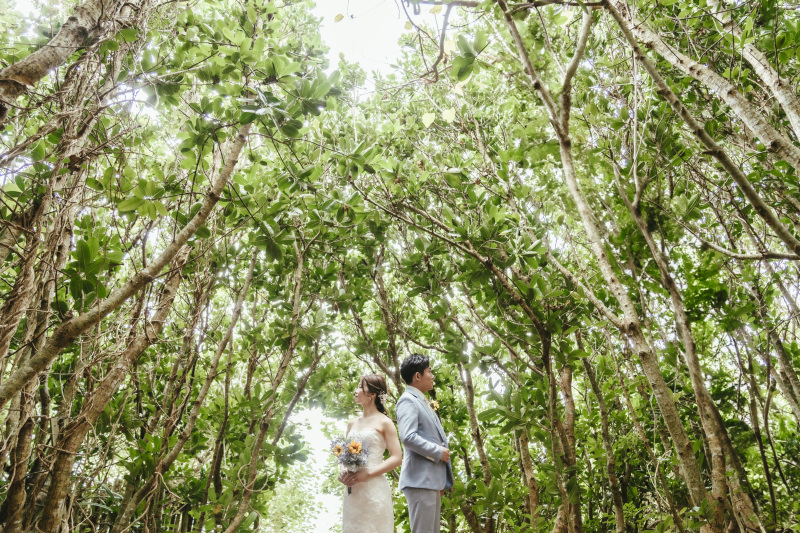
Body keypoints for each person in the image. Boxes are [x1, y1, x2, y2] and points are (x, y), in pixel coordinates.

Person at [396, 354, 454, 533]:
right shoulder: (408, 400)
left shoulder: (422, 401)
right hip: (420, 481)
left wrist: (441, 481)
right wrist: (438, 451)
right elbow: (408, 436)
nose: (433, 375)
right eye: (429, 371)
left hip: (430, 481)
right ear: (418, 376)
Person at [339, 374, 403, 533]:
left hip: (374, 489)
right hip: (352, 491)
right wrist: (342, 472)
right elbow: (344, 456)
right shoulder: (352, 423)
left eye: (361, 386)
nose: (356, 390)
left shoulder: (385, 422)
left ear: (372, 394)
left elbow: (397, 457)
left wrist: (368, 474)